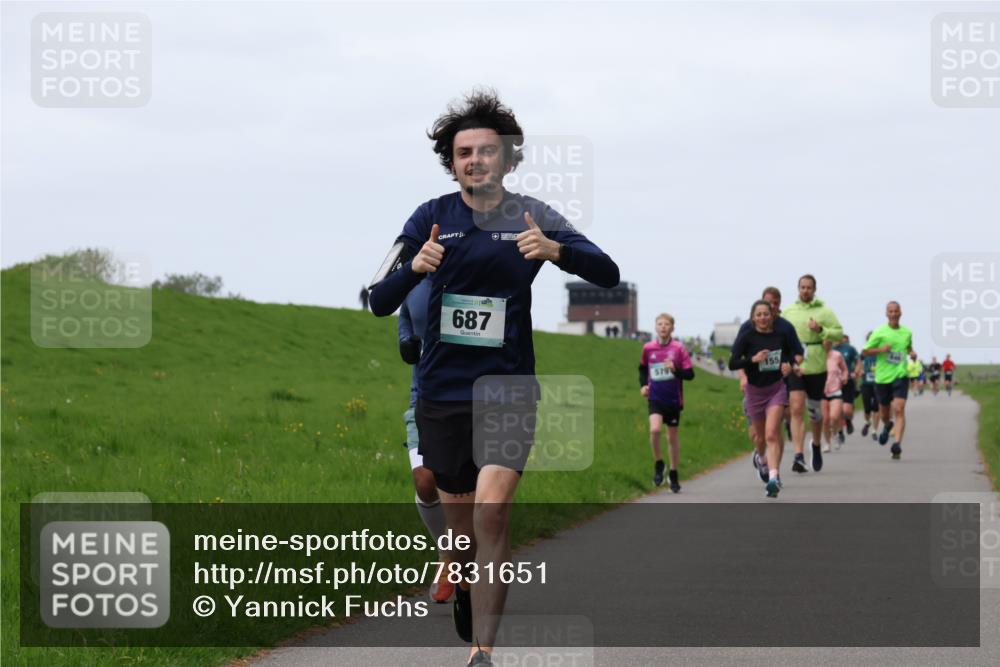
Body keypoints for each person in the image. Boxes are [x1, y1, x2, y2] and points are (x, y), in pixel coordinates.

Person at [369, 90, 619, 667]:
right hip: (442, 392)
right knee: (462, 532)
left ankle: (482, 651)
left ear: (507, 159)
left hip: (508, 389)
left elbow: (607, 270)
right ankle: (462, 583)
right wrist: (415, 267)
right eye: (463, 153)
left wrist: (556, 250)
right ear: (450, 161)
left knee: (492, 514)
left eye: (486, 152)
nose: (475, 161)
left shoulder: (533, 215)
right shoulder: (427, 218)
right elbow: (379, 300)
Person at [398, 276, 454, 604]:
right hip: (424, 397)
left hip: (471, 397)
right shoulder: (413, 278)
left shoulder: (475, 268)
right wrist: (406, 339)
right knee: (424, 479)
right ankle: (447, 554)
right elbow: (405, 314)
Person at [729, 300, 802, 498]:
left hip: (776, 389)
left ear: (772, 316)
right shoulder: (747, 336)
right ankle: (761, 459)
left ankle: (773, 478)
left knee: (771, 434)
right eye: (758, 314)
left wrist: (789, 365)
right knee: (759, 438)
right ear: (753, 317)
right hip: (754, 392)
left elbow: (791, 355)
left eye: (765, 314)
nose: (762, 317)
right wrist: (752, 360)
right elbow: (732, 363)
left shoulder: (780, 335)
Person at [781, 275, 844, 473]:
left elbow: (838, 333)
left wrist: (821, 329)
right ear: (798, 288)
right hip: (796, 364)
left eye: (809, 287)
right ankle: (798, 455)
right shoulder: (790, 311)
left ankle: (816, 444)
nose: (805, 290)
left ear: (815, 289)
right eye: (802, 287)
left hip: (817, 365)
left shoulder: (824, 311)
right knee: (797, 408)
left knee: (815, 413)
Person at [639, 313, 695, 492]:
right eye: (660, 324)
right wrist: (643, 386)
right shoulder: (648, 348)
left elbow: (690, 375)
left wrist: (675, 369)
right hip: (655, 397)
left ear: (672, 328)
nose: (663, 327)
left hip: (673, 399)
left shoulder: (679, 349)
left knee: (672, 437)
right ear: (655, 327)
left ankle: (673, 472)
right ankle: (659, 463)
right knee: (654, 430)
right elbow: (642, 368)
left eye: (667, 324)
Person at [862, 301, 913, 460]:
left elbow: (908, 347)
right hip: (882, 378)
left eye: (896, 311)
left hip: (900, 375)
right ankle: (887, 425)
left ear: (900, 312)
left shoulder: (907, 332)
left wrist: (912, 353)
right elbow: (865, 351)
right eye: (890, 311)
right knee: (884, 412)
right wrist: (881, 350)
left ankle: (897, 444)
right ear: (886, 314)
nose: (893, 314)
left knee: (899, 408)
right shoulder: (879, 332)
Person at [821, 340, 848, 453]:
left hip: (835, 390)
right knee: (825, 420)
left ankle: (836, 433)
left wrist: (845, 377)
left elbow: (844, 369)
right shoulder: (817, 355)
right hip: (821, 391)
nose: (825, 343)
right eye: (823, 341)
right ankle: (827, 443)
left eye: (828, 341)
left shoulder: (837, 355)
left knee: (834, 417)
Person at [833, 334, 860, 442]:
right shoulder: (829, 349)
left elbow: (858, 362)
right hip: (834, 384)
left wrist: (855, 372)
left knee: (847, 410)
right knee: (838, 409)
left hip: (847, 381)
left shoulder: (849, 348)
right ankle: (840, 432)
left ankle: (848, 421)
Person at [859, 331, 881, 440]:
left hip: (878, 383)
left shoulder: (880, 353)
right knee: (867, 408)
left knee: (876, 407)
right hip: (866, 383)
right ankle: (867, 422)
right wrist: (860, 371)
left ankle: (874, 431)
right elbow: (858, 365)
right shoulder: (863, 353)